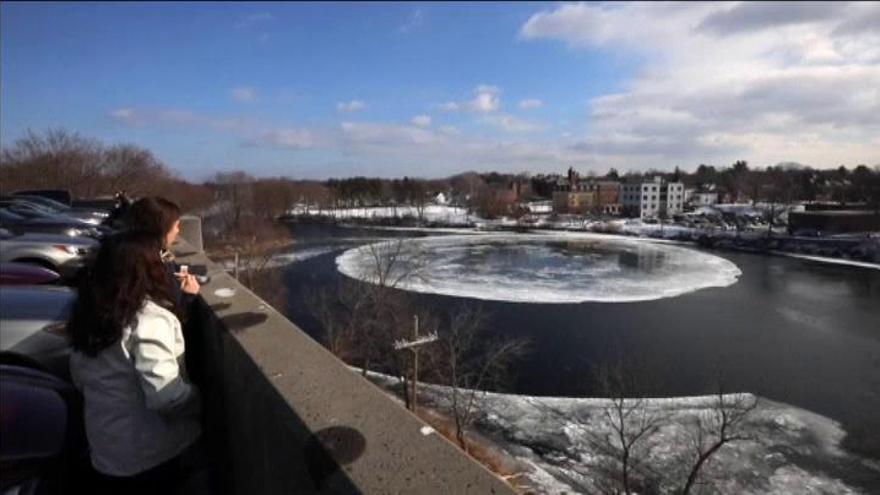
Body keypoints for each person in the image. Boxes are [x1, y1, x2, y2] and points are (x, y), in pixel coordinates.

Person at [67, 231, 208, 494]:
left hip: (107, 452)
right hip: (155, 456)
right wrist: (201, 401)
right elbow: (167, 398)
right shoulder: (148, 320)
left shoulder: (90, 313)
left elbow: (79, 377)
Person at [123, 196, 200, 307]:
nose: (178, 231)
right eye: (176, 226)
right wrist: (189, 295)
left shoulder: (144, 252)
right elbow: (168, 312)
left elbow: (171, 265)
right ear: (162, 230)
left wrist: (180, 275)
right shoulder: (145, 267)